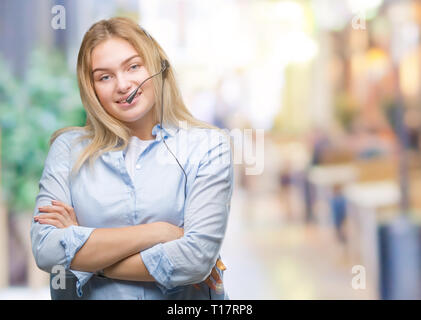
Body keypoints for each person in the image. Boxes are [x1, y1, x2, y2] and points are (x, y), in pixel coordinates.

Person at [30, 17, 234, 300]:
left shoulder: (207, 147)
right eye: (104, 76)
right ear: (91, 88)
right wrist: (159, 233)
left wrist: (85, 254)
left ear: (156, 65)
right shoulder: (67, 149)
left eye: (133, 66)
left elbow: (194, 260)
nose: (123, 84)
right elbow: (47, 250)